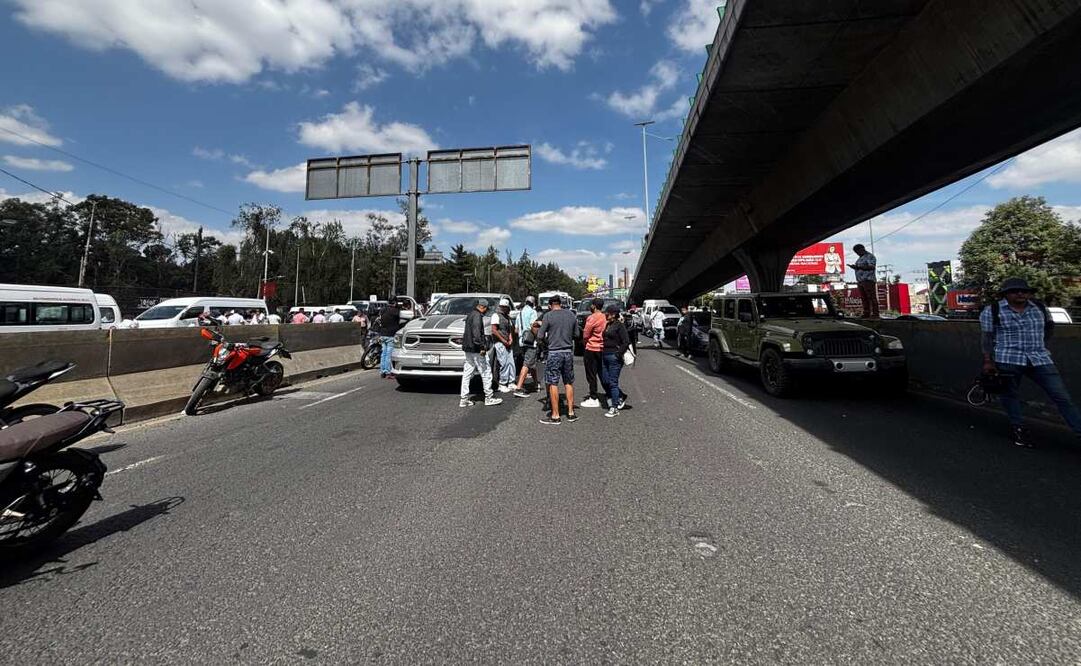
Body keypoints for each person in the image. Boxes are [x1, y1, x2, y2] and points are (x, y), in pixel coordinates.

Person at [980, 277, 1081, 448]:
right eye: (1015, 291)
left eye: (1024, 291)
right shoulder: (993, 311)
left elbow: (1049, 329)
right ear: (1005, 295)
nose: (1020, 293)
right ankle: (1019, 428)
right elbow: (986, 338)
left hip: (1040, 358)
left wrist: (1039, 345)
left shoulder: (1040, 308)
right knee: (1010, 396)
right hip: (1008, 359)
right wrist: (988, 361)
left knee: (1062, 396)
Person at [536, 294, 578, 425]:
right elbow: (577, 334)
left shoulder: (548, 316)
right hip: (568, 352)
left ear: (550, 305)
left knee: (553, 382)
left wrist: (547, 342)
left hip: (554, 352)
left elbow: (540, 335)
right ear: (561, 303)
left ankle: (555, 415)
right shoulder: (571, 315)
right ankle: (571, 413)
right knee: (568, 382)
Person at [460, 299, 502, 407]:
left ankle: (464, 399)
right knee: (486, 371)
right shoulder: (477, 316)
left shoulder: (470, 314)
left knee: (467, 373)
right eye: (486, 308)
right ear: (482, 307)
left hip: (468, 348)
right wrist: (482, 347)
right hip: (477, 349)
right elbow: (477, 334)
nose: (486, 311)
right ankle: (489, 397)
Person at [600, 304, 631, 418]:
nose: (605, 315)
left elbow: (626, 341)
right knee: (605, 380)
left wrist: (618, 354)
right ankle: (620, 396)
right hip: (604, 355)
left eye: (607, 313)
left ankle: (614, 407)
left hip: (614, 357)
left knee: (613, 382)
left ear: (613, 314)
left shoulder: (619, 325)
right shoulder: (608, 324)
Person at [581, 298, 607, 408]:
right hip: (603, 348)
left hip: (591, 348)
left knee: (591, 374)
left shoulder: (591, 318)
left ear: (594, 306)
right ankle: (611, 394)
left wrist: (584, 343)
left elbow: (586, 334)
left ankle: (593, 397)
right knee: (602, 373)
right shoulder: (605, 317)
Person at [488, 298, 515, 393]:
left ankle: (511, 381)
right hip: (500, 342)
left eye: (506, 307)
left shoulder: (507, 317)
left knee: (511, 363)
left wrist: (510, 339)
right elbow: (494, 330)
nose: (504, 309)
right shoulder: (496, 316)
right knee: (504, 363)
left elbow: (509, 330)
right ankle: (502, 383)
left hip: (507, 342)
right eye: (503, 307)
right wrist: (503, 340)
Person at [848, 244, 878, 318]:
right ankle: (866, 313)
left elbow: (871, 267)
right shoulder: (860, 258)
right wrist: (855, 267)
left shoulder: (869, 256)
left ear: (862, 249)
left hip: (868, 279)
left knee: (871, 297)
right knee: (864, 298)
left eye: (857, 251)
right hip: (860, 281)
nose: (857, 253)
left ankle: (875, 314)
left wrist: (858, 267)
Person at [514, 319, 543, 398]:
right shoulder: (533, 314)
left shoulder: (521, 313)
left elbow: (516, 329)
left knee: (532, 365)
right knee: (527, 364)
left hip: (523, 341)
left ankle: (536, 383)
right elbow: (534, 326)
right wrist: (540, 324)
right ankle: (518, 388)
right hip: (531, 343)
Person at [373, 298, 401, 379]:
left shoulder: (383, 310)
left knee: (383, 354)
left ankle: (382, 371)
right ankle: (388, 372)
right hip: (391, 335)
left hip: (383, 334)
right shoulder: (395, 311)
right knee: (389, 354)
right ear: (395, 302)